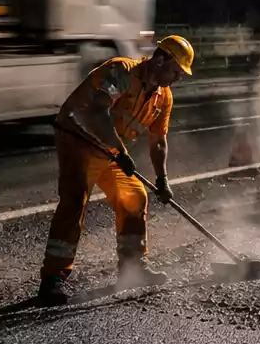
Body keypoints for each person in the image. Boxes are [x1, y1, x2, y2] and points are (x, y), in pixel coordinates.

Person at [38, 36, 195, 304]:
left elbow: (158, 141)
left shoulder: (163, 97)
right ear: (159, 60)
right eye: (175, 71)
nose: (177, 78)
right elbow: (98, 113)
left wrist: (162, 179)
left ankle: (133, 269)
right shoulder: (122, 71)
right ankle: (52, 279)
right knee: (75, 201)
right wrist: (121, 152)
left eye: (180, 74)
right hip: (78, 136)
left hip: (109, 147)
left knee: (135, 196)